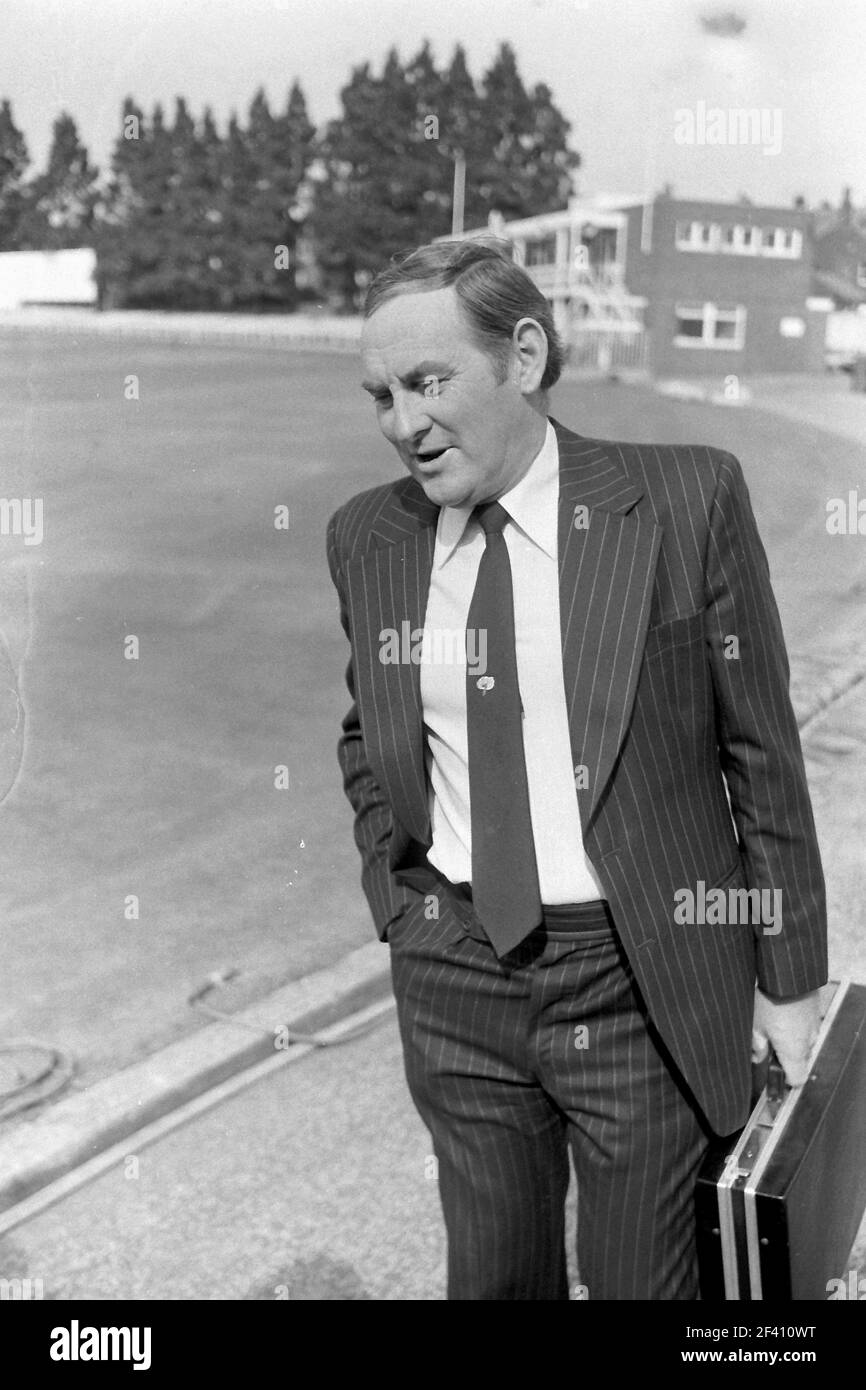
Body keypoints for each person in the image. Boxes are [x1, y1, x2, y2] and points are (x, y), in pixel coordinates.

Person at [325, 237, 827, 1300]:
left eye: (425, 382)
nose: (400, 425)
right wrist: (398, 901)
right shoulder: (366, 537)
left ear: (521, 353)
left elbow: (760, 758)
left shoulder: (685, 498)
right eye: (379, 394)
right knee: (492, 1282)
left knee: (645, 1285)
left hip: (638, 973)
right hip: (455, 971)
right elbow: (364, 732)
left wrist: (787, 980)